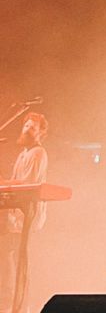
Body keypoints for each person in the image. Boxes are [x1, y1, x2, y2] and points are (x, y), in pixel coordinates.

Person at [0, 112, 48, 313]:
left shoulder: (38, 153)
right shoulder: (22, 154)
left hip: (27, 218)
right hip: (14, 220)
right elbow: (14, 182)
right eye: (25, 126)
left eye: (32, 128)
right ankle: (9, 303)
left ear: (40, 133)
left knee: (21, 264)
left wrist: (6, 184)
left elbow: (28, 184)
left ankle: (22, 308)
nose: (27, 130)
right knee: (7, 260)